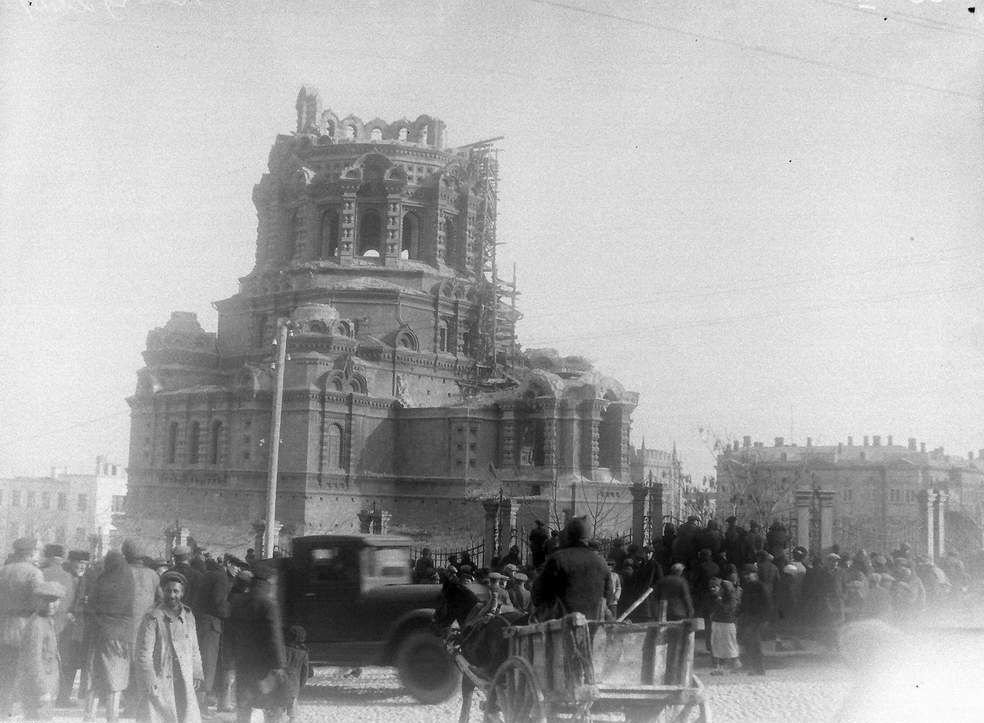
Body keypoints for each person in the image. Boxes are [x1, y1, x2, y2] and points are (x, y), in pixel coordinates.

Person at [135, 570, 204, 723]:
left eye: (176, 591)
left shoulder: (188, 616)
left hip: (183, 678)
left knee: (183, 714)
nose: (172, 595)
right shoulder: (153, 617)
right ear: (162, 591)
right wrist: (149, 680)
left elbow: (194, 647)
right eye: (168, 591)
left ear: (182, 593)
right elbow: (143, 654)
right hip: (161, 680)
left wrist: (197, 671)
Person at [226, 564, 286, 723]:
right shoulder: (269, 605)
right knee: (270, 703)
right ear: (267, 583)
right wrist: (279, 665)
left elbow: (229, 632)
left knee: (244, 703)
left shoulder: (238, 601)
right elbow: (274, 636)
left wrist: (230, 656)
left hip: (243, 660)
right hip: (264, 664)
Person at [85, 550, 135, 723]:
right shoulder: (128, 580)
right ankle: (112, 718)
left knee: (96, 676)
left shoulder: (101, 580)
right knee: (116, 678)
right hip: (122, 636)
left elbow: (90, 606)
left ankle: (89, 717)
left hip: (100, 634)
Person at [531, 517, 611, 620]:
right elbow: (608, 597)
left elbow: (538, 595)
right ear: (588, 537)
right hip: (594, 627)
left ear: (568, 536)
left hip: (561, 628)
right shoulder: (601, 562)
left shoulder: (558, 559)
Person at [0, 537, 44, 717]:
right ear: (32, 552)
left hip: (3, 626)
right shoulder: (34, 573)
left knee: (5, 674)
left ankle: (3, 711)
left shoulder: (3, 571)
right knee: (25, 672)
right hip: (25, 628)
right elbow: (40, 601)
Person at [123, 539, 163, 716]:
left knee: (127, 666)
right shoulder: (153, 575)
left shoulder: (122, 572)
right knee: (143, 665)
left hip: (125, 626)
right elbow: (161, 600)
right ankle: (140, 704)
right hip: (146, 627)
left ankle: (130, 705)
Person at [194, 552, 236, 718]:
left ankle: (203, 701)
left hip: (203, 623)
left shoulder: (209, 575)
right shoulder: (219, 577)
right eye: (236, 567)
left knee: (206, 663)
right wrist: (232, 611)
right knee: (208, 664)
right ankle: (201, 705)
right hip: (211, 625)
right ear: (229, 565)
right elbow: (219, 603)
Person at [19, 580, 66, 720]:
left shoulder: (47, 620)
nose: (51, 605)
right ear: (38, 601)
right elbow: (33, 660)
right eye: (46, 600)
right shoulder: (37, 625)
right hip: (38, 688)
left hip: (47, 685)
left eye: (55, 600)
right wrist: (42, 690)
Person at [58, 550, 91, 707]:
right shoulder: (65, 577)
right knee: (64, 662)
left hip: (79, 627)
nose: (82, 566)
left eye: (84, 564)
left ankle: (64, 697)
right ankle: (60, 697)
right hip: (63, 626)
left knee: (72, 662)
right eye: (79, 563)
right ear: (70, 562)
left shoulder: (86, 579)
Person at [737, 564, 771, 675]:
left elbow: (767, 604)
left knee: (755, 643)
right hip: (747, 618)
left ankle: (759, 669)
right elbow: (743, 604)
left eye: (748, 574)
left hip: (758, 619)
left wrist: (765, 619)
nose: (746, 576)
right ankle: (752, 667)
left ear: (755, 574)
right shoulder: (747, 587)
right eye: (745, 574)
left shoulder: (761, 586)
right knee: (747, 642)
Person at [708, 578, 740, 675]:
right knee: (719, 645)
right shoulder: (717, 597)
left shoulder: (730, 598)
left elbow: (728, 609)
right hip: (719, 622)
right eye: (711, 587)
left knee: (728, 644)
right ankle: (722, 667)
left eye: (715, 587)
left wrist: (719, 601)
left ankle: (735, 663)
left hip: (726, 623)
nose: (713, 589)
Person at [280, 626, 311, 723]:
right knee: (292, 714)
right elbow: (305, 673)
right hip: (293, 686)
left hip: (279, 683)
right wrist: (299, 686)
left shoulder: (281, 649)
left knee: (277, 710)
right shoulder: (303, 653)